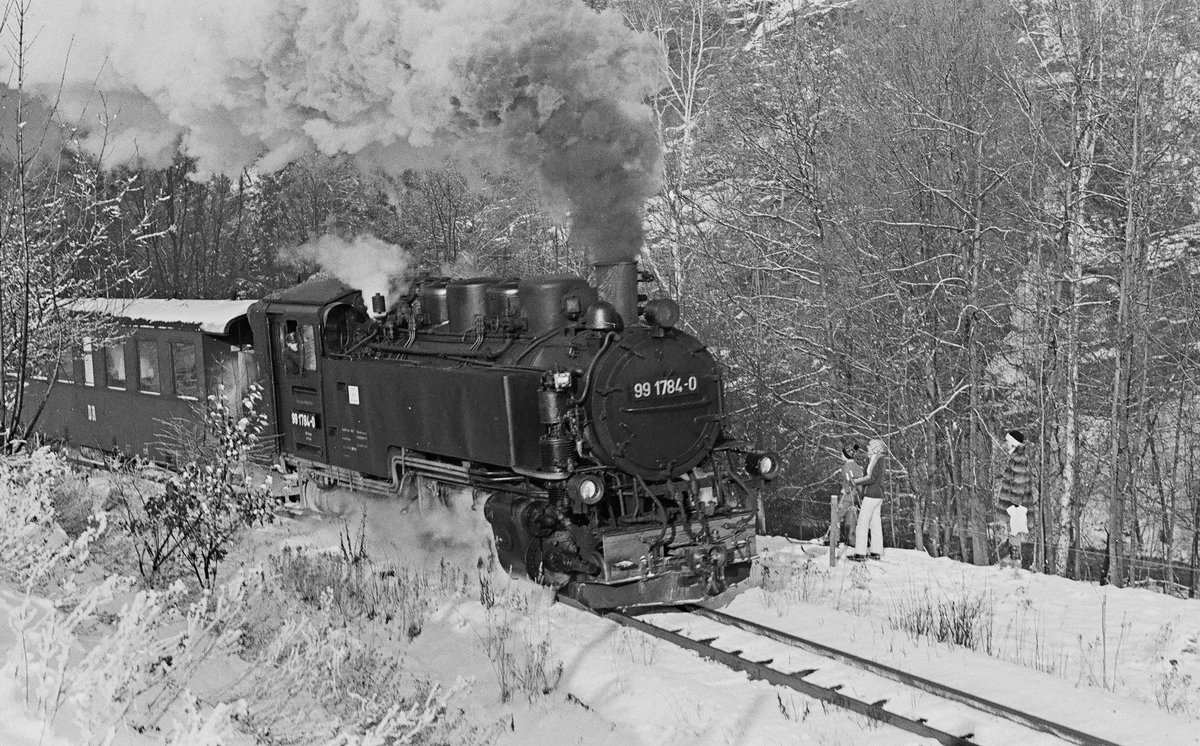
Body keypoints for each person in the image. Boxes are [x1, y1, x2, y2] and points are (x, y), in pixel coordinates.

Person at [997, 429, 1033, 568]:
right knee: (1012, 531)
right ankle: (1013, 557)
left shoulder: (1019, 458)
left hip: (1016, 504)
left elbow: (1019, 482)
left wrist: (1015, 505)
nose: (1006, 444)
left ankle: (1016, 560)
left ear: (1013, 443)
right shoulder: (1015, 456)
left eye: (1008, 441)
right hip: (1013, 503)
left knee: (1015, 530)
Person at [848, 438, 887, 561]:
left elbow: (870, 478)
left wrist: (856, 481)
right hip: (878, 495)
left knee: (862, 523)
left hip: (871, 495)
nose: (868, 449)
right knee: (875, 524)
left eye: (870, 447)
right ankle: (876, 551)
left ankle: (860, 553)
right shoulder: (879, 459)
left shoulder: (876, 459)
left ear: (875, 449)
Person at [829, 442, 863, 547]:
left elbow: (850, 481)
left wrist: (846, 489)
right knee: (852, 519)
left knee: (836, 516)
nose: (841, 455)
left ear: (847, 455)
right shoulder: (857, 466)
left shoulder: (848, 466)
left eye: (842, 454)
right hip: (856, 496)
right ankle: (853, 542)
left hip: (848, 496)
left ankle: (834, 540)